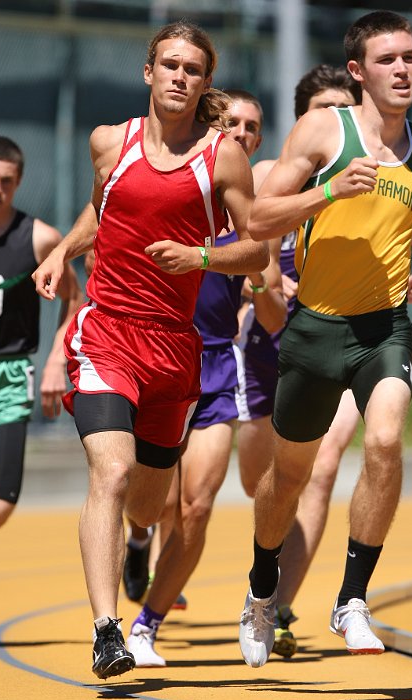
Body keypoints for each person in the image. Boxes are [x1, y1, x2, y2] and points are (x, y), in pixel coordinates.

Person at [32, 21, 269, 681]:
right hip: (106, 331)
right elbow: (100, 209)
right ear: (147, 71)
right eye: (169, 64)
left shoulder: (221, 156)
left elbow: (256, 250)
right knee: (109, 473)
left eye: (193, 69)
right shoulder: (110, 141)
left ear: (203, 82)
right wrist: (62, 251)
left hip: (173, 349)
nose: (179, 77)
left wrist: (198, 256)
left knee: (146, 500)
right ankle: (108, 630)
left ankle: (139, 539)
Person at [239, 9, 412, 668]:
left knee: (383, 439)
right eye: (388, 60)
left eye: (409, 57)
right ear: (357, 71)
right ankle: (262, 585)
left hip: (383, 328)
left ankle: (351, 599)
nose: (403, 69)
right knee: (288, 479)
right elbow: (258, 217)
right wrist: (325, 191)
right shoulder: (323, 130)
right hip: (313, 330)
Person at [121, 89, 287, 667]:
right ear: (213, 127)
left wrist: (260, 283)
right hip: (151, 352)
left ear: (260, 142)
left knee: (195, 506)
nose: (242, 133)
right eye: (232, 122)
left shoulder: (254, 220)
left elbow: (271, 318)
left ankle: (145, 626)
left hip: (215, 363)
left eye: (253, 127)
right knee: (152, 503)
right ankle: (139, 537)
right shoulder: (169, 183)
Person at [0, 136, 83, 530]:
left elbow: (75, 300)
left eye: (5, 181)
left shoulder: (40, 237)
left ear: (19, 181)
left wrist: (55, 363)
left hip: (9, 376)